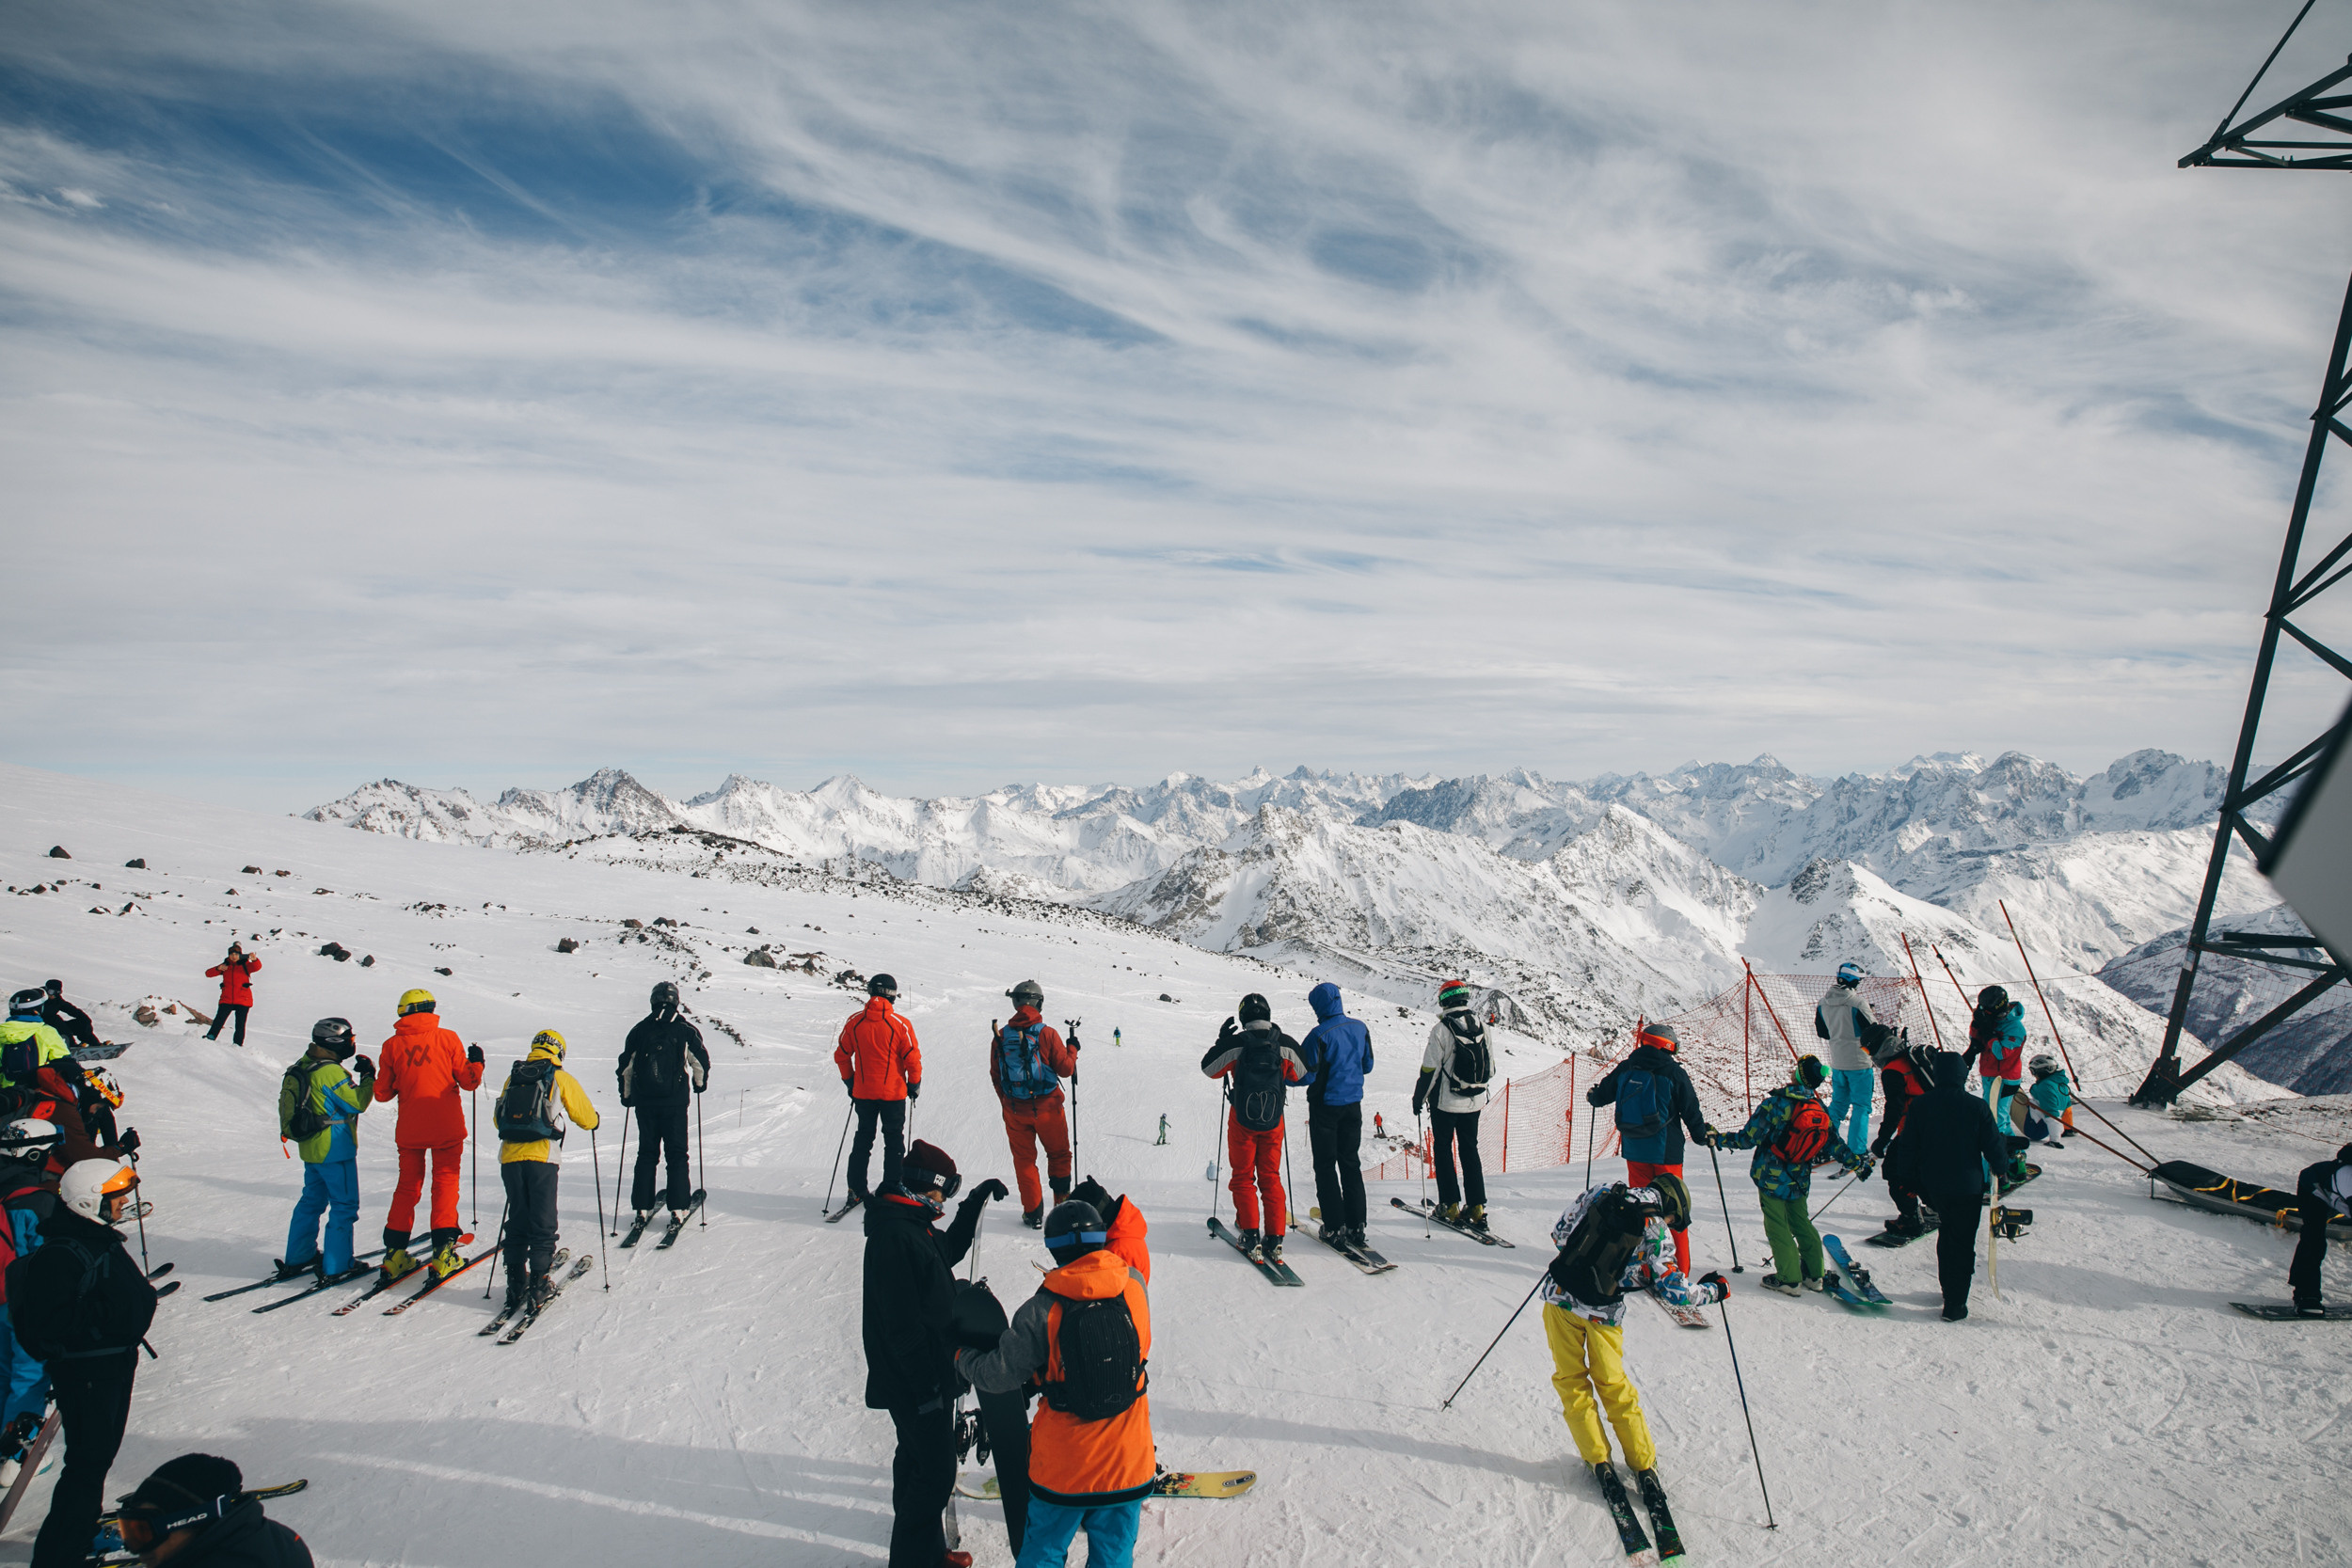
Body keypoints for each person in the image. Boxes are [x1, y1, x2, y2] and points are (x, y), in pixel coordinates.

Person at [956, 1195, 1155, 1568]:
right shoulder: (1134, 1286)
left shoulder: (1042, 1309)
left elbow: (998, 1375)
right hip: (1128, 1460)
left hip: (1065, 1469)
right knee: (1114, 1556)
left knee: (1043, 1552)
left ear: (1054, 1248)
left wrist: (961, 1358)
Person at [1540, 1176, 1725, 1528]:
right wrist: (1714, 1291)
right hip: (1602, 1314)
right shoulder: (1656, 1228)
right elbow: (1675, 1292)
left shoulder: (1605, 1191)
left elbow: (1560, 1234)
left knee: (1571, 1380)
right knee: (1614, 1386)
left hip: (1559, 1298)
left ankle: (1599, 1461)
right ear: (1671, 1207)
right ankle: (1643, 1466)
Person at [859, 1137, 1006, 1568]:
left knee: (916, 1459)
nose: (944, 1201)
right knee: (936, 1473)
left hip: (924, 1374)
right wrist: (926, 1389)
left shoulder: (911, 1223)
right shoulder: (894, 1237)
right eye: (945, 1192)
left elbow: (948, 1252)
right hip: (913, 1378)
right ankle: (914, 1559)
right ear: (924, 1186)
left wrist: (975, 1202)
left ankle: (923, 1551)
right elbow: (901, 1327)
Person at [7, 1157, 158, 1568]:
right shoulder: (62, 1252)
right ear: (89, 1203)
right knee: (87, 1461)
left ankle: (80, 1527)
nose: (123, 1205)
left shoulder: (92, 1237)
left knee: (96, 1457)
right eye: (116, 1198)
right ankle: (60, 1553)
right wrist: (106, 1321)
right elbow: (49, 1321)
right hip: (89, 1371)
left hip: (108, 1366)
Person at [1707, 1055, 1871, 1295]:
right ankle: (1815, 1275)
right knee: (1801, 1222)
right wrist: (1856, 1163)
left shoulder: (1775, 1104)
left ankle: (1789, 1279)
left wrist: (1717, 1138)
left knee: (1777, 1226)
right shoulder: (1818, 1108)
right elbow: (1834, 1144)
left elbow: (1746, 1139)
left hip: (1771, 1177)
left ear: (1798, 1074)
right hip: (1800, 1177)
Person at [1884, 1049, 2008, 1320]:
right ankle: (1955, 1302)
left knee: (1946, 1233)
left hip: (1933, 1187)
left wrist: (1906, 1180)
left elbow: (1908, 1147)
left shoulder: (1920, 1105)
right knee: (1962, 1241)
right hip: (1968, 1187)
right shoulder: (1977, 1106)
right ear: (1962, 1076)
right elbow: (1993, 1145)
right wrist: (2002, 1170)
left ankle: (1946, 1288)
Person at [370, 990, 483, 1284]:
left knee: (407, 1187)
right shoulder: (448, 1038)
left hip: (410, 1129)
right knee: (445, 1183)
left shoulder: (391, 1045)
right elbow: (468, 1082)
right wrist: (478, 1063)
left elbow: (382, 1093)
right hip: (446, 1127)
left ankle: (394, 1255)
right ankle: (443, 1253)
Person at [1585, 1022, 1708, 1274]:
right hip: (1667, 1153)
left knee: (1643, 1208)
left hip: (1634, 1150)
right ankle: (1679, 1271)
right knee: (1675, 1208)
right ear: (1668, 1045)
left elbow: (1600, 1097)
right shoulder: (1674, 1073)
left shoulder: (1628, 1066)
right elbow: (1691, 1111)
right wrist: (1701, 1136)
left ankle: (1645, 1267)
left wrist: (1593, 1095)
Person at [493, 1029, 600, 1314]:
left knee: (517, 1219)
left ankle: (516, 1282)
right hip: (542, 1158)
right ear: (559, 1051)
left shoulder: (514, 1076)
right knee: (542, 1222)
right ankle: (539, 1285)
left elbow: (497, 1119)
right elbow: (586, 1118)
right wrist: (595, 1121)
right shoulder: (558, 1076)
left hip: (510, 1158)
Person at [1200, 994, 1307, 1262]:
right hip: (1274, 1122)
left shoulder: (1237, 1044)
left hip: (1242, 1122)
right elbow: (1303, 1072)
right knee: (1270, 1176)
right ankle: (1275, 1238)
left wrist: (1222, 1042)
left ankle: (1249, 1234)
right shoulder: (1283, 1042)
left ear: (1243, 1017)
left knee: (1243, 1176)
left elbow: (1209, 1068)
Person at [275, 1019, 373, 1285]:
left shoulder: (304, 1063)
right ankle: (337, 1264)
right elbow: (357, 1103)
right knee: (344, 1205)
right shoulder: (329, 1071)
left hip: (311, 1147)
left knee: (311, 1201)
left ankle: (299, 1255)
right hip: (334, 1149)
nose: (353, 1043)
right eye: (350, 1038)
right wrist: (368, 1076)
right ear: (336, 1042)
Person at [110, 1452, 313, 1566]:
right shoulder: (269, 1536)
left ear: (192, 1520)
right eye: (128, 1531)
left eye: (142, 1532)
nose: (133, 1548)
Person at [618, 982, 709, 1229]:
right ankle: (678, 1207)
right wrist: (700, 1084)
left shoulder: (639, 1030)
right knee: (677, 1154)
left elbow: (626, 1066)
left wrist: (627, 1096)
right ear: (675, 1001)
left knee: (647, 1154)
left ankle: (641, 1207)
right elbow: (700, 1060)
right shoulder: (685, 1029)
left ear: (653, 1001)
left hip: (645, 1104)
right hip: (675, 1104)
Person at [987, 980, 1076, 1228]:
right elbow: (1066, 1069)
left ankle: (1033, 1213)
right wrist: (1073, 1049)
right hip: (1048, 1108)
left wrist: (1007, 1102)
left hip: (1015, 1110)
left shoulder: (1001, 1035)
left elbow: (996, 1074)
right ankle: (1062, 1210)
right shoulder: (1047, 1033)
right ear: (1039, 1002)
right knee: (1058, 1155)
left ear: (1016, 1002)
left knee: (1024, 1161)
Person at [0, 1119, 59, 1484]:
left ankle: (5, 1440)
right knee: (30, 1374)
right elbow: (46, 1259)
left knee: (4, 1372)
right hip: (23, 1303)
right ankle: (15, 1454)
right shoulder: (37, 1200)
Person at [1298, 982, 1375, 1251]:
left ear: (1319, 1005)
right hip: (1353, 1106)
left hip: (1325, 1108)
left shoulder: (1319, 1034)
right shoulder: (1360, 1027)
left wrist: (1283, 1080)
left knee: (1326, 1166)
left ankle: (1334, 1226)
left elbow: (1306, 1073)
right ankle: (1357, 1225)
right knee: (1351, 1163)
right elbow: (1368, 1065)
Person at [1414, 979, 1494, 1229]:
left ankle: (1449, 1205)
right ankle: (1477, 1205)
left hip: (1446, 1104)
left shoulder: (1441, 1029)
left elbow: (1430, 1070)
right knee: (1470, 1150)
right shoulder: (1482, 1025)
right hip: (1474, 1102)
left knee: (1444, 1151)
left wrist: (1419, 1098)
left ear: (1444, 1001)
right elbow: (1490, 1068)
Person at [837, 974, 922, 1210]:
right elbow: (912, 1059)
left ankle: (856, 1190)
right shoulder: (900, 1024)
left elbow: (842, 1055)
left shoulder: (855, 1022)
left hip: (863, 1093)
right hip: (893, 1095)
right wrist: (914, 1085)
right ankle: (892, 1188)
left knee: (863, 1139)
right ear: (892, 995)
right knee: (894, 1141)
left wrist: (850, 1082)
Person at [1867, 1028, 1935, 1238]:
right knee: (1924, 1170)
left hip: (1914, 1130)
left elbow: (1894, 1109)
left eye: (1867, 1049)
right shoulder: (1912, 1058)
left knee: (1895, 1172)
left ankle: (1910, 1219)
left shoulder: (1892, 1070)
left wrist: (1882, 1140)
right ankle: (1936, 1208)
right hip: (1936, 1125)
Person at [1815, 962, 1877, 1154]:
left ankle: (1824, 1146)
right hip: (1859, 1062)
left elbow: (1823, 1032)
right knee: (1861, 1106)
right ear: (1854, 981)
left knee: (1838, 1105)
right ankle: (1857, 1150)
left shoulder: (1823, 1003)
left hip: (1838, 1062)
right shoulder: (1857, 1003)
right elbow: (1874, 1032)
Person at [2289, 1142, 2352, 1316]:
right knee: (2314, 1239)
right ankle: (2306, 1296)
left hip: (2339, 1195)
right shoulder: (2349, 1178)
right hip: (2313, 1188)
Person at [1969, 987, 2029, 1151]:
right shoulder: (1994, 1020)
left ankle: (2012, 1156)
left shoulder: (2015, 1028)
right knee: (1994, 1117)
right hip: (1990, 1075)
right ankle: (2010, 1154)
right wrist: (1977, 1025)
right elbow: (1978, 1040)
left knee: (1998, 1119)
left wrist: (1990, 1034)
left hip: (2006, 1078)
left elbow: (2002, 1053)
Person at [203, 944, 261, 1046]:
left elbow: (257, 967)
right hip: (227, 999)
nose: (234, 956)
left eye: (236, 954)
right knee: (219, 1020)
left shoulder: (245, 965)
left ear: (240, 955)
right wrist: (218, 968)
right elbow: (208, 974)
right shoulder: (225, 966)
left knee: (240, 1024)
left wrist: (254, 959)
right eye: (232, 954)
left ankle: (237, 1044)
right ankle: (211, 1037)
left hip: (243, 1000)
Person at [2025, 1053, 2074, 1146]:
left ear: (2040, 1071)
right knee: (2036, 1102)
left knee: (2019, 1100)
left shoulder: (2045, 1087)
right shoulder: (2061, 1085)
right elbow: (2067, 1107)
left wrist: (2055, 1140)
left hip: (2035, 1131)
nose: (2033, 1075)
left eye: (2033, 1071)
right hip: (2051, 1127)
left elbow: (2051, 1114)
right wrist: (2068, 1128)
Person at [38, 983, 99, 1053]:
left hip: (54, 1025)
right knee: (57, 1020)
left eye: (56, 993)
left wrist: (85, 1018)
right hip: (40, 1027)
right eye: (51, 992)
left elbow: (70, 1009)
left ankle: (94, 1043)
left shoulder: (57, 1000)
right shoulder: (37, 997)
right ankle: (71, 1045)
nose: (53, 995)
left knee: (82, 1023)